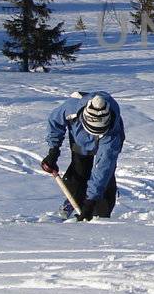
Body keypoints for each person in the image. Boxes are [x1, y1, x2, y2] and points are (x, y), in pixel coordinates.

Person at [41, 91, 125, 220]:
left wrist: (91, 201)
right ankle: (72, 200)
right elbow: (55, 122)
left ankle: (100, 215)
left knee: (105, 177)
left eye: (98, 131)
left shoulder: (112, 136)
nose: (94, 134)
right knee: (79, 169)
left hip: (105, 140)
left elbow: (103, 168)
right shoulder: (71, 107)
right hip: (80, 139)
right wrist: (54, 150)